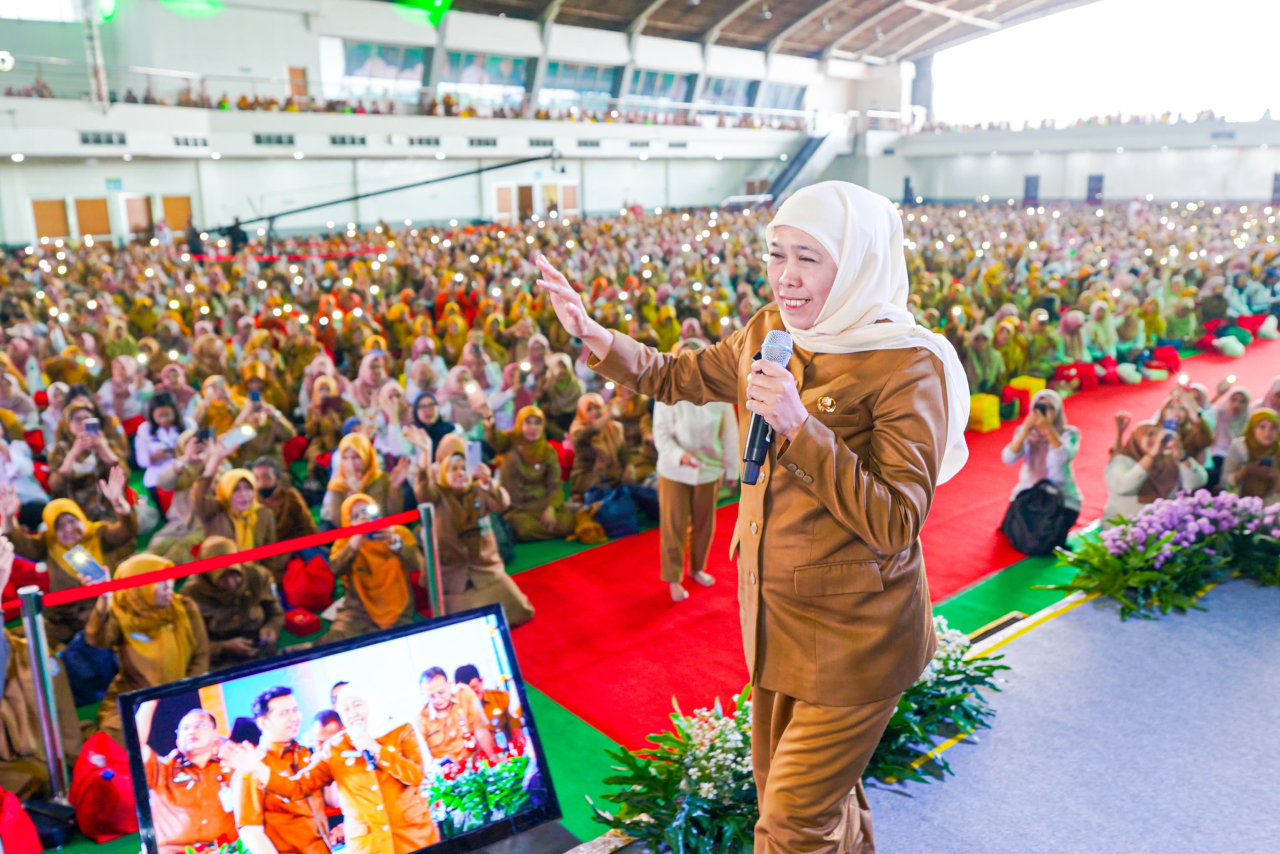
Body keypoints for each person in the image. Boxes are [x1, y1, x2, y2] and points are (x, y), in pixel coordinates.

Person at [533, 180, 970, 854]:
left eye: (808, 258)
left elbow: (895, 521)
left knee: (790, 826)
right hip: (775, 621)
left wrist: (799, 426)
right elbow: (677, 375)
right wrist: (597, 337)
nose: (786, 277)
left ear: (858, 261)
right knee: (800, 801)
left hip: (856, 639)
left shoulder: (906, 365)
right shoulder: (772, 331)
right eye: (776, 254)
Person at [224, 682, 441, 854]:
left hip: (413, 838)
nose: (352, 713)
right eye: (345, 708)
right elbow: (296, 788)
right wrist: (258, 769)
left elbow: (417, 776)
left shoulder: (400, 730)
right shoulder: (335, 747)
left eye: (357, 704)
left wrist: (376, 749)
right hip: (370, 846)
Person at [1, 470, 137, 646]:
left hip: (104, 610)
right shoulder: (48, 543)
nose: (68, 529)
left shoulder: (99, 533)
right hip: (64, 617)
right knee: (25, 638)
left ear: (81, 517)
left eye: (72, 520)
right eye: (60, 526)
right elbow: (19, 543)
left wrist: (118, 502)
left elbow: (127, 530)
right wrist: (8, 516)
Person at [413, 433, 534, 626]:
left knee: (520, 609)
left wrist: (488, 481)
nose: (460, 473)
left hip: (484, 570)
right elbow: (422, 489)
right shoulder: (437, 495)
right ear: (443, 471)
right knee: (465, 626)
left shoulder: (478, 489)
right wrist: (425, 453)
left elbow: (502, 504)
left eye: (463, 468)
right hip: (453, 575)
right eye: (453, 468)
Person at [87, 554, 210, 745]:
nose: (169, 585)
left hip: (183, 692)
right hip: (136, 695)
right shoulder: (122, 614)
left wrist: (183, 692)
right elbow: (97, 639)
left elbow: (200, 656)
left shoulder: (184, 607)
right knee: (119, 738)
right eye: (160, 582)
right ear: (140, 588)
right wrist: (104, 600)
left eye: (169, 578)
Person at [652, 340, 740, 602]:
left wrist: (732, 470)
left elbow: (730, 433)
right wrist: (681, 456)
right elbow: (661, 435)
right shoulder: (667, 392)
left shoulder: (718, 392)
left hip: (709, 470)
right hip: (675, 470)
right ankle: (673, 579)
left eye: (694, 358)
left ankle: (697, 568)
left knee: (704, 524)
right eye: (683, 359)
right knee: (674, 525)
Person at [234, 687, 332, 854]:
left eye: (295, 710)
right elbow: (250, 830)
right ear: (263, 722)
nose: (294, 717)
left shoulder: (306, 753)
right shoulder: (253, 767)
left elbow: (332, 801)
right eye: (284, 713)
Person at [132, 700, 238, 854]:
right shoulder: (162, 769)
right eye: (185, 728)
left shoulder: (233, 766)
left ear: (215, 734)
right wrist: (150, 702)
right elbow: (135, 744)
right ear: (177, 740)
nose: (192, 731)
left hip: (226, 849)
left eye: (200, 725)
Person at [313, 493, 420, 645]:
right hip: (357, 609)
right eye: (355, 516)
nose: (363, 518)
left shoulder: (398, 533)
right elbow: (335, 570)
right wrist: (353, 545)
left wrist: (394, 543)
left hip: (396, 607)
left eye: (366, 511)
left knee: (394, 643)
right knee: (335, 641)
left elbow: (418, 565)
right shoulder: (343, 543)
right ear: (347, 521)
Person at [181, 536, 284, 669]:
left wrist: (271, 628)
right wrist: (223, 647)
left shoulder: (258, 577)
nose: (230, 583)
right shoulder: (191, 595)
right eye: (222, 577)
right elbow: (190, 644)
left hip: (260, 648)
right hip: (221, 661)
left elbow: (275, 613)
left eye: (234, 573)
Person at [1000, 389, 1083, 526]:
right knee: (1013, 530)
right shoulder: (1025, 431)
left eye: (1049, 407)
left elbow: (1063, 457)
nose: (1043, 412)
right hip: (1030, 493)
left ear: (1057, 410)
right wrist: (1024, 433)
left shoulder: (1069, 433)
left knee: (1043, 535)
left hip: (1060, 498)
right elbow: (1008, 459)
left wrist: (1048, 430)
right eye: (1039, 407)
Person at [1103, 421, 1208, 528]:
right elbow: (1123, 487)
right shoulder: (1121, 461)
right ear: (1136, 440)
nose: (1157, 439)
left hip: (1163, 530)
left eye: (1159, 434)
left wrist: (1181, 455)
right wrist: (1151, 456)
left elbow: (1196, 483)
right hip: (1125, 529)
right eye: (1150, 434)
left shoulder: (1170, 460)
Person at [495, 406, 574, 541]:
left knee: (568, 523)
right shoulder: (509, 444)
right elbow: (495, 438)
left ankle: (542, 527)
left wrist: (551, 508)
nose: (533, 427)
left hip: (539, 503)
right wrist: (489, 420)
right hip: (516, 507)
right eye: (528, 422)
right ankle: (543, 529)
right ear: (519, 424)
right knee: (523, 528)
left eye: (537, 423)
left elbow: (555, 485)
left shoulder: (548, 451)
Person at [193, 455, 282, 574]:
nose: (243, 494)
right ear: (226, 491)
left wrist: (264, 578)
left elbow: (270, 555)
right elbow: (200, 496)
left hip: (253, 576)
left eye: (248, 488)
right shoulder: (214, 511)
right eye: (236, 489)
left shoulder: (263, 514)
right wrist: (215, 460)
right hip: (220, 576)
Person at [416, 667, 498, 766]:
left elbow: (481, 732)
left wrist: (496, 762)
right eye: (431, 696)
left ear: (449, 685)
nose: (437, 699)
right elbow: (425, 760)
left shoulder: (464, 696)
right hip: (447, 773)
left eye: (441, 692)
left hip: (476, 767)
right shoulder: (422, 720)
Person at [321, 433, 407, 527]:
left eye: (356, 457)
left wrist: (394, 488)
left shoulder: (381, 479)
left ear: (367, 456)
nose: (351, 463)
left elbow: (394, 514)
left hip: (382, 531)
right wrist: (354, 498)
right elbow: (339, 523)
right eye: (345, 458)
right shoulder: (338, 485)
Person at [567, 391, 626, 500]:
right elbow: (588, 433)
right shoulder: (577, 430)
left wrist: (629, 468)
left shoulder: (614, 428)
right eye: (589, 409)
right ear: (581, 412)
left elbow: (623, 453)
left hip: (614, 477)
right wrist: (609, 415)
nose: (594, 412)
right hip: (588, 480)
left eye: (597, 408)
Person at [249, 456, 318, 546]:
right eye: (256, 479)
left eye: (267, 478)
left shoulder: (290, 497)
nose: (261, 484)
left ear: (278, 479)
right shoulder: (251, 502)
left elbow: (307, 527)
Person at [453, 664, 524, 751]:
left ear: (481, 681)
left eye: (475, 691)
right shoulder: (455, 712)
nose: (473, 698)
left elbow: (517, 733)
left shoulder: (501, 698)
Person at [1221, 409, 1280, 502]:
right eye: (1262, 427)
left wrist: (1275, 477)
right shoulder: (1239, 447)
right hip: (1237, 503)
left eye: (1273, 428)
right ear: (1253, 428)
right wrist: (1245, 471)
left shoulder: (1278, 451)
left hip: (1270, 506)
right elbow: (1224, 481)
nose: (1268, 432)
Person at [1207, 385, 1252, 489]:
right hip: (1211, 460)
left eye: (1242, 402)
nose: (1237, 405)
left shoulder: (1247, 424)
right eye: (1234, 400)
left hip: (1235, 464)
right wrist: (1217, 395)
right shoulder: (1215, 415)